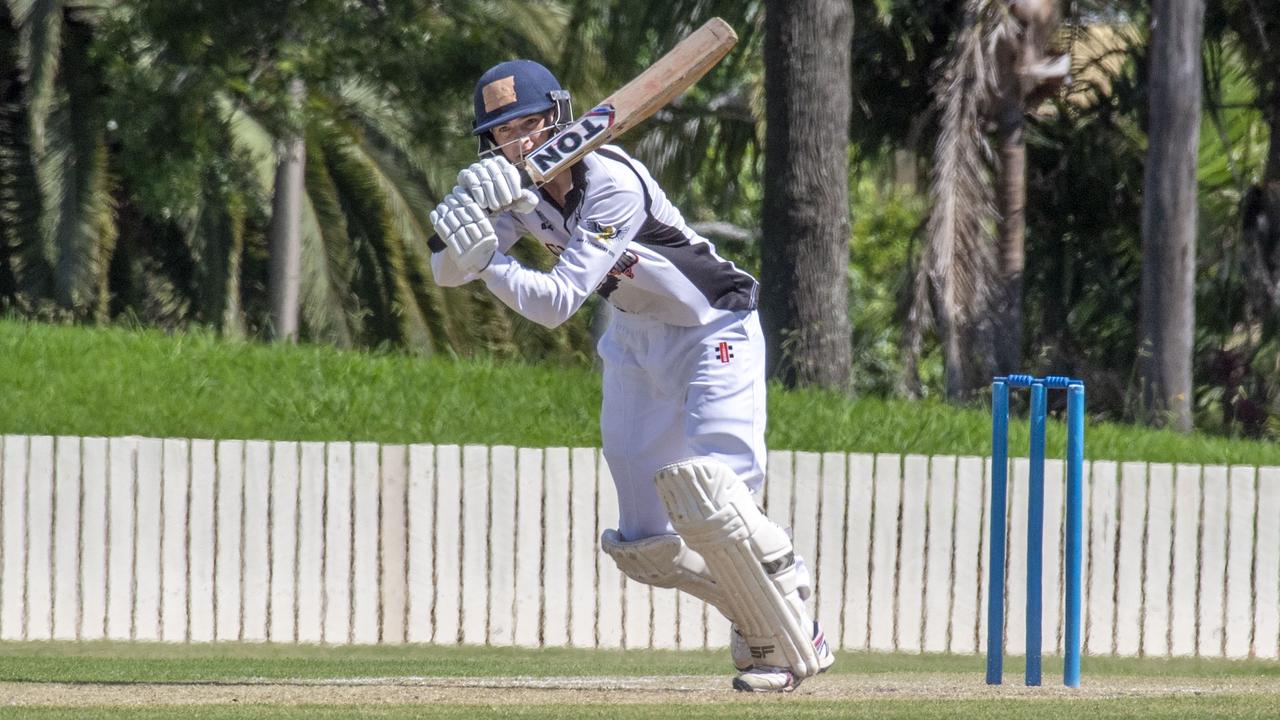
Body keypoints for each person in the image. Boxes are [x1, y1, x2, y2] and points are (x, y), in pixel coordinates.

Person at [428, 59, 834, 692]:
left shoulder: (611, 180)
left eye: (532, 125)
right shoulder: (520, 194)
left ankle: (788, 612)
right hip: (635, 340)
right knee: (644, 548)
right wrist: (462, 225)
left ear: (560, 118)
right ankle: (756, 615)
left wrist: (489, 265)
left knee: (716, 499)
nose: (522, 142)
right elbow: (443, 273)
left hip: (711, 328)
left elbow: (557, 303)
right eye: (506, 134)